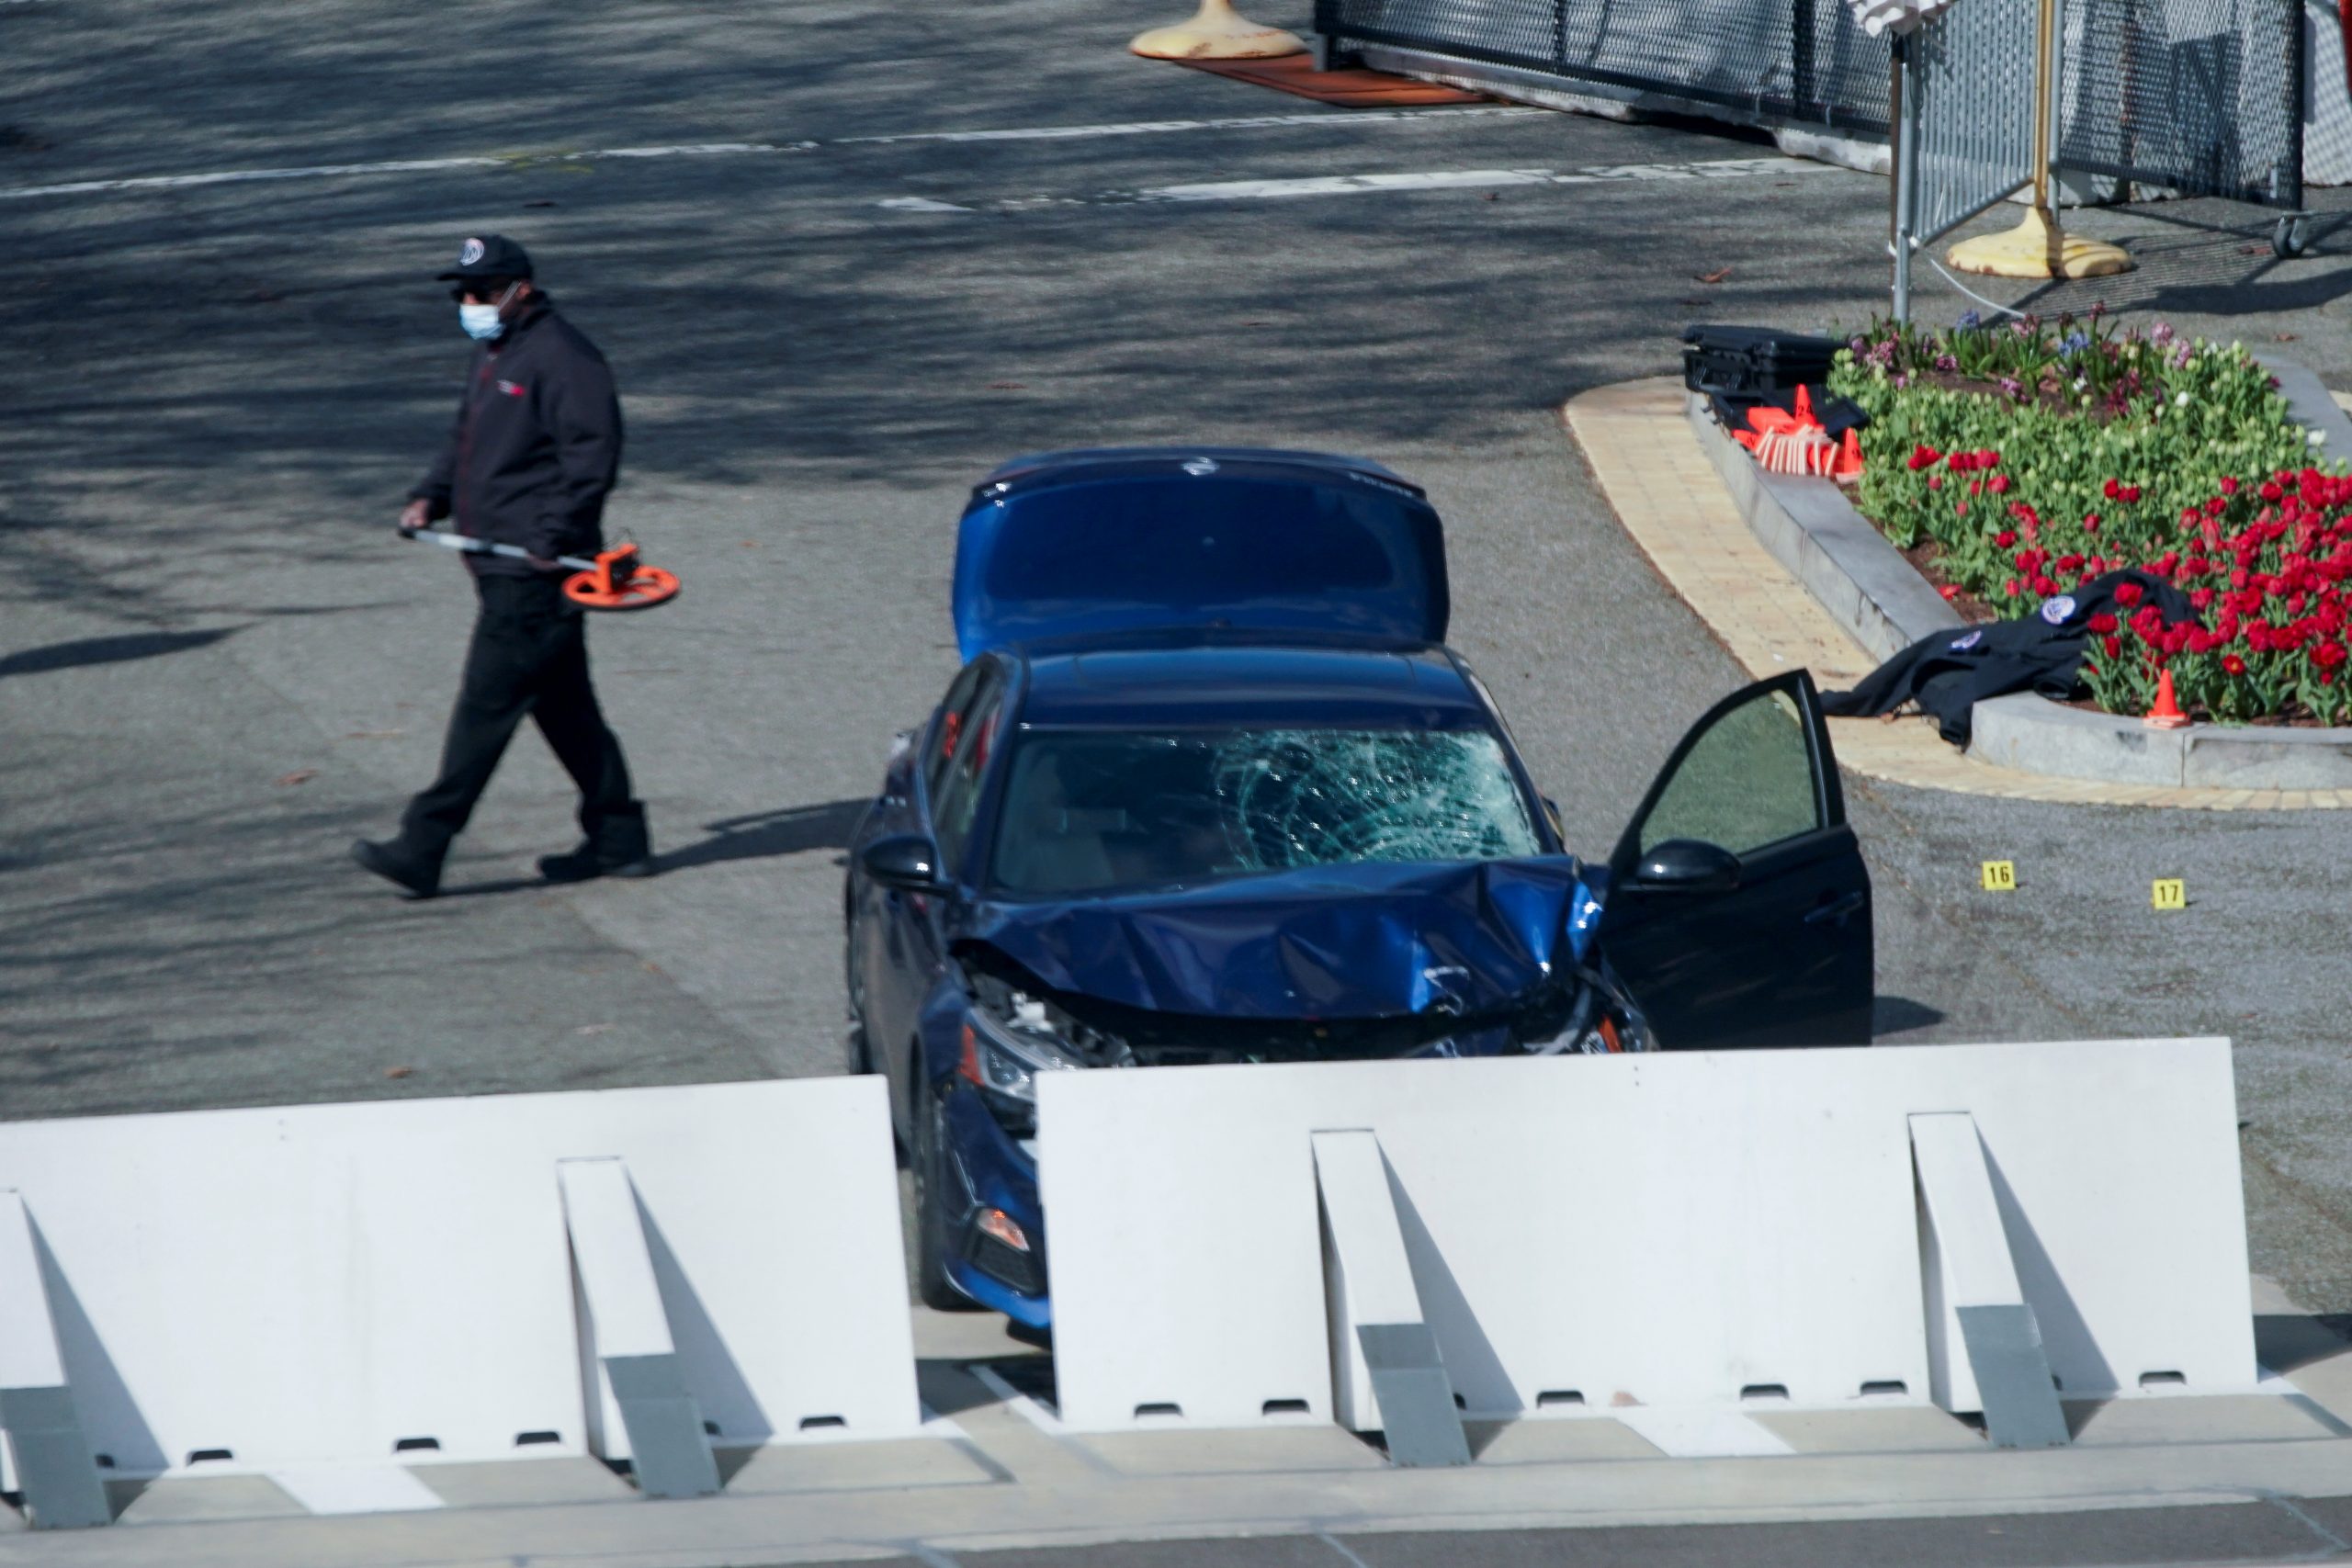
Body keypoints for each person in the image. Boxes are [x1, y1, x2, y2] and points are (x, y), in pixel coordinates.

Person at [351, 234, 652, 898]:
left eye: (480, 292)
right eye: (461, 293)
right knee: (566, 709)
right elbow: (467, 436)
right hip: (495, 561)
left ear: (520, 288)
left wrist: (553, 535)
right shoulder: (498, 351)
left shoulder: (563, 358)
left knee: (482, 714)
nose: (468, 303)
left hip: (533, 572)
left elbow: (590, 458)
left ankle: (423, 845)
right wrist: (431, 494)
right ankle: (619, 836)